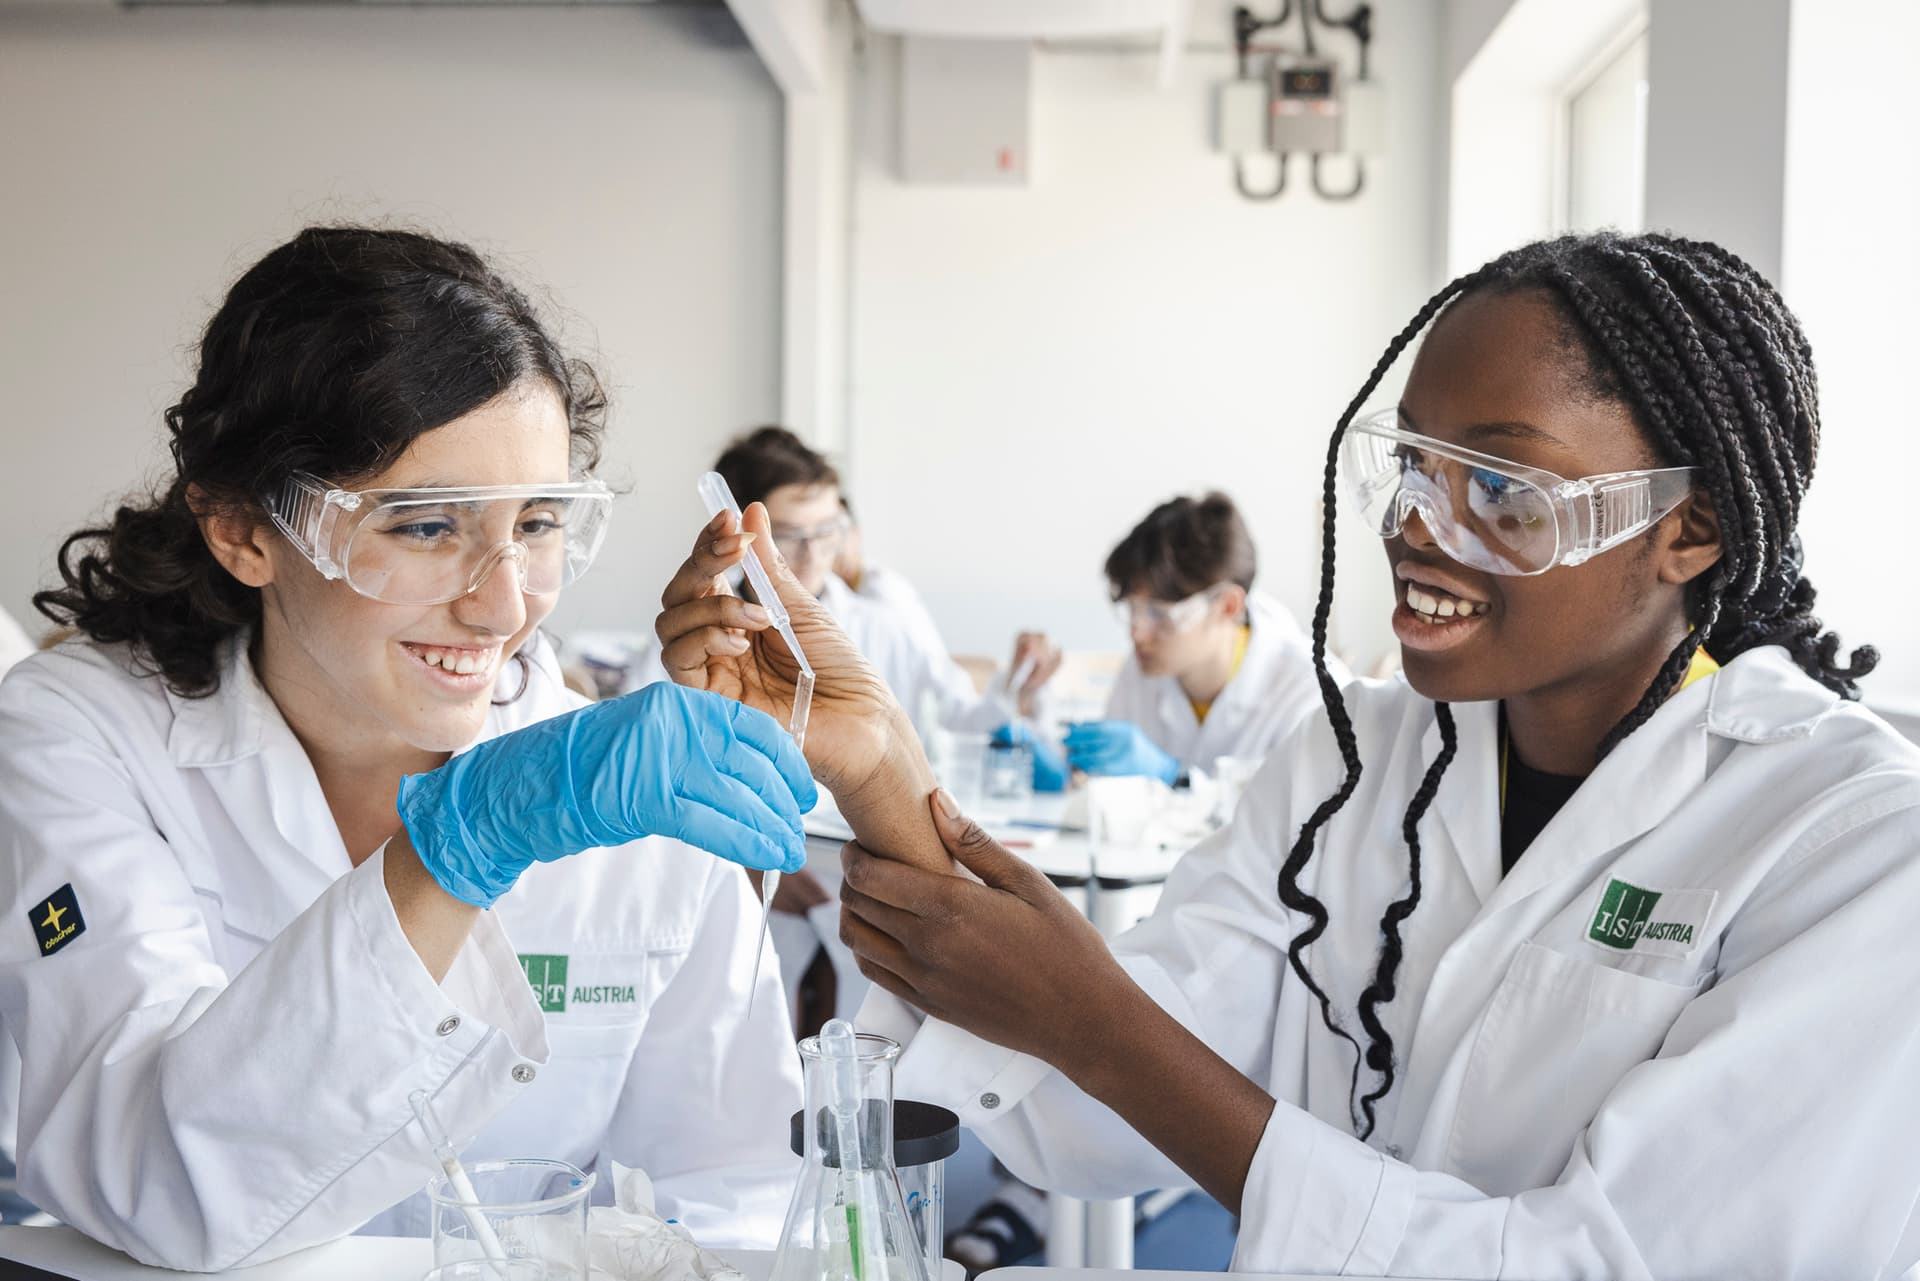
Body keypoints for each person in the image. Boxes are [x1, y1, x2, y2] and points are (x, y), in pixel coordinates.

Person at [656, 232, 1920, 1277]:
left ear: (1688, 529)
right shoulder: (1356, 759)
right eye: (1413, 465)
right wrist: (876, 766)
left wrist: (1097, 1025)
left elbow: (1595, 1264)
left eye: (1505, 494)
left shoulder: (1850, 844)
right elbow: (1098, 1121)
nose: (1421, 530)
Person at [0, 227, 815, 1271]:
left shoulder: (636, 796)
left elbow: (735, 1194)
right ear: (244, 528)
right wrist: (453, 849)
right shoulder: (85, 739)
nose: (502, 606)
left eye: (537, 523)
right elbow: (159, 1183)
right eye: (427, 526)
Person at [1048, 492, 1347, 788]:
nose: (1137, 632)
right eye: (1133, 610)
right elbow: (1109, 798)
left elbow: (1292, 822)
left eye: (1158, 614)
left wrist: (1176, 779)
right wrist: (1063, 771)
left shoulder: (1310, 692)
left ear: (1227, 606)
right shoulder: (1145, 667)